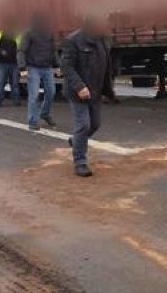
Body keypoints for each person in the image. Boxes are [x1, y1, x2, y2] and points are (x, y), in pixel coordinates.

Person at [60, 15, 114, 177]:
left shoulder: (103, 40)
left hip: (95, 91)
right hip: (78, 92)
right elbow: (66, 66)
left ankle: (76, 141)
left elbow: (106, 66)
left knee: (95, 124)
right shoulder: (73, 40)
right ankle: (80, 162)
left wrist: (109, 90)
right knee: (83, 125)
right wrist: (80, 87)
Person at [18, 13, 59, 131]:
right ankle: (33, 122)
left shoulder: (48, 33)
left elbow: (53, 50)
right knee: (34, 95)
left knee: (51, 93)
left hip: (47, 67)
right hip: (33, 68)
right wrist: (22, 68)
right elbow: (21, 51)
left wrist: (59, 65)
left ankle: (45, 114)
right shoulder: (28, 33)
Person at [0, 19, 21, 107]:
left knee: (14, 83)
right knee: (1, 82)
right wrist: (1, 52)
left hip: (14, 62)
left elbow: (21, 46)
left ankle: (16, 100)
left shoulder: (16, 35)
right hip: (1, 62)